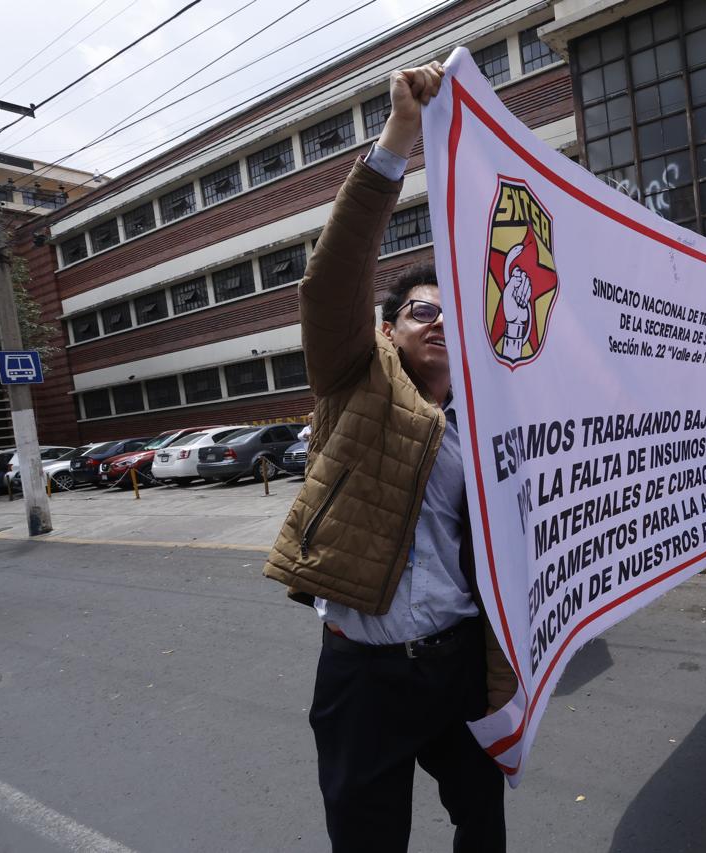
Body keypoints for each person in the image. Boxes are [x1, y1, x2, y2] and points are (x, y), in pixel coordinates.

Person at [262, 63, 513, 853]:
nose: (437, 319)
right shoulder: (353, 376)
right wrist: (399, 138)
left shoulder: (492, 415)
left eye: (449, 310)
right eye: (418, 309)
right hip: (365, 675)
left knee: (484, 821)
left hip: (457, 665)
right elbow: (329, 281)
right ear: (391, 327)